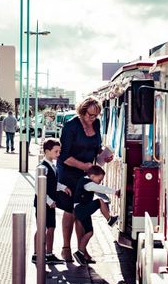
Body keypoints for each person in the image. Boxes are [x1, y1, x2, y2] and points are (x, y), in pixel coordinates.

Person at [57, 97, 112, 262]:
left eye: (96, 115)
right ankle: (66, 248)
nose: (92, 118)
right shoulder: (71, 126)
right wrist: (84, 166)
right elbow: (64, 156)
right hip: (69, 171)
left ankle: (82, 250)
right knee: (69, 211)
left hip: (87, 173)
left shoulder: (96, 124)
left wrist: (103, 154)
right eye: (90, 115)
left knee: (82, 211)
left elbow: (97, 146)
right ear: (82, 111)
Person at [32, 138, 72, 265]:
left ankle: (48, 253)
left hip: (50, 202)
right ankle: (37, 253)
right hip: (43, 202)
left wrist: (63, 187)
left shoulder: (52, 166)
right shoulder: (42, 167)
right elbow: (39, 188)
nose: (58, 154)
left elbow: (52, 183)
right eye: (56, 152)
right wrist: (49, 201)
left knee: (51, 227)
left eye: (59, 151)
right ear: (47, 151)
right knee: (42, 228)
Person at [72, 165, 119, 266]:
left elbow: (99, 191)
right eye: (100, 179)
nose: (100, 181)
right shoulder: (87, 183)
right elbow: (100, 189)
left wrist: (109, 200)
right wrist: (115, 192)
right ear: (92, 176)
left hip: (83, 209)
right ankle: (109, 219)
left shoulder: (88, 182)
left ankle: (80, 253)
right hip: (81, 208)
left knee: (89, 232)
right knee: (99, 202)